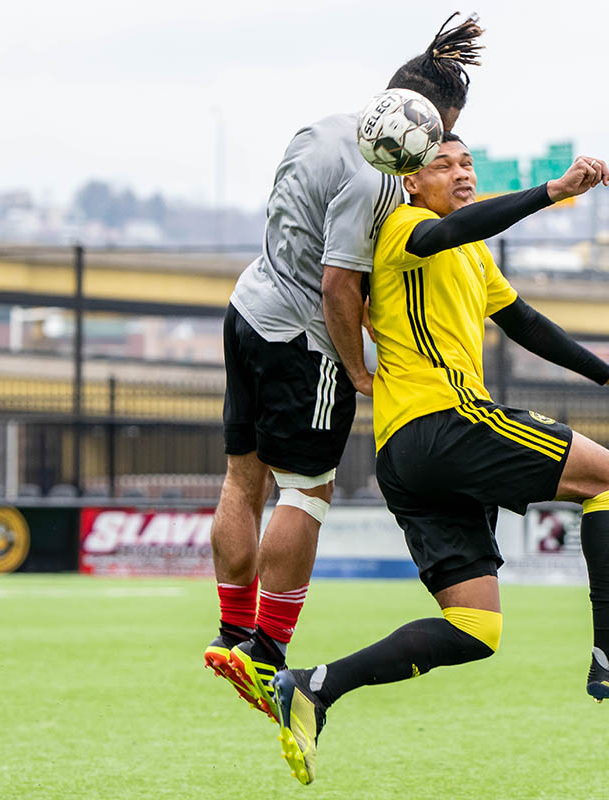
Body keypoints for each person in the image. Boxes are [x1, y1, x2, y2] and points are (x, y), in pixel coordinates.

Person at [268, 135, 609, 786]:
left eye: (466, 162)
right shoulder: (402, 227)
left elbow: (522, 320)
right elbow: (457, 228)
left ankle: (313, 687)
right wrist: (552, 192)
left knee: (474, 626)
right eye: (441, 164)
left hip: (405, 453)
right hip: (445, 421)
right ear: (410, 183)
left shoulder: (469, 249)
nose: (460, 172)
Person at [204, 14, 486, 721]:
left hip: (247, 306)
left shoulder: (323, 127)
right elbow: (339, 282)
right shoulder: (382, 176)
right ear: (433, 117)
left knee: (243, 477)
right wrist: (357, 367)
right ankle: (268, 651)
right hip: (303, 340)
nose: (441, 150)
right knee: (306, 491)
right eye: (443, 134)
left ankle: (233, 631)